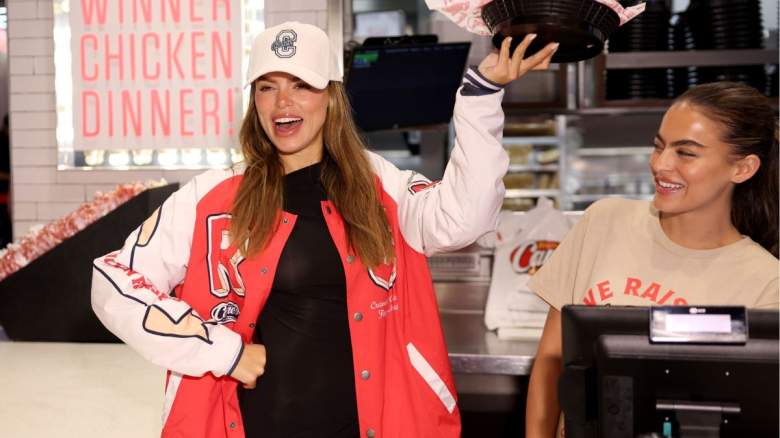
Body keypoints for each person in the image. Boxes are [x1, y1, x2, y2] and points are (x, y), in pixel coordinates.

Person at [91, 21, 558, 438]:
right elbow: (113, 280)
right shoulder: (210, 198)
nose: (283, 103)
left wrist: (481, 95)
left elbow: (465, 216)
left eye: (301, 85)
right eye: (267, 88)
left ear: (331, 96)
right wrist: (219, 351)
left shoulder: (383, 188)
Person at [525, 81, 779, 438]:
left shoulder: (767, 283)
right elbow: (552, 360)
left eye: (686, 153)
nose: (661, 164)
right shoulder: (604, 221)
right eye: (658, 146)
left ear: (743, 168)